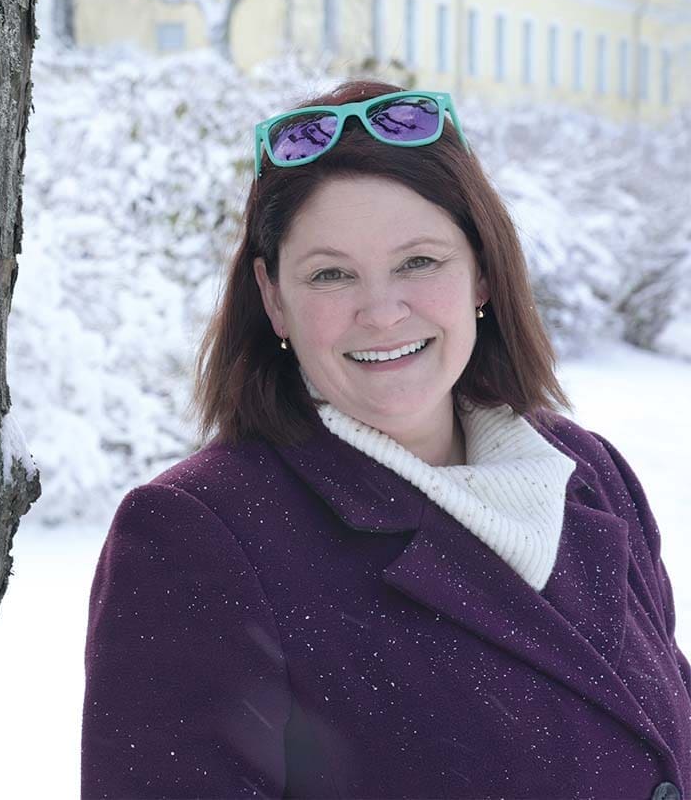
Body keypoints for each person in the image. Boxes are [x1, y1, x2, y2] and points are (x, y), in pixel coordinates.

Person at [81, 81, 691, 798]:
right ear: (274, 298)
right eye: (331, 274)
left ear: (482, 272)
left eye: (419, 262)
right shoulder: (199, 536)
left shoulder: (587, 470)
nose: (381, 311)